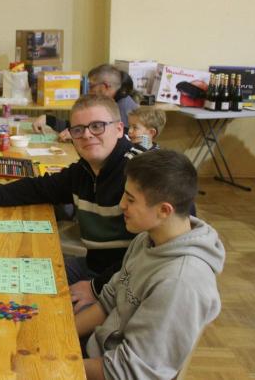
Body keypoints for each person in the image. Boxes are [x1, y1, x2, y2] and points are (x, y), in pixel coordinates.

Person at [0, 95, 145, 313]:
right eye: (78, 129)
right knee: (7, 280)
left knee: (47, 314)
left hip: (126, 283)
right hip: (94, 266)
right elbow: (40, 188)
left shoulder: (141, 173)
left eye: (97, 126)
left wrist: (96, 288)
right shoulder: (84, 170)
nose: (87, 135)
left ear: (119, 128)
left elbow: (150, 255)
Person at [76, 149, 224, 379]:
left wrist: (56, 365)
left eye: (131, 199)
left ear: (164, 210)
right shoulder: (147, 239)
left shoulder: (180, 283)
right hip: (99, 350)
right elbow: (107, 302)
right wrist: (60, 339)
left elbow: (130, 371)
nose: (121, 204)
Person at [33, 64, 141, 141]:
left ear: (105, 87)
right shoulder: (110, 102)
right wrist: (47, 119)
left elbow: (116, 141)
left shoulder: (123, 107)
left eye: (91, 86)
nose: (88, 91)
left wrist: (79, 134)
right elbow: (80, 126)